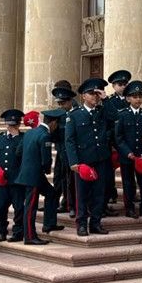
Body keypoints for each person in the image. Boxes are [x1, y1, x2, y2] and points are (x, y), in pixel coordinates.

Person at [65, 78, 111, 237]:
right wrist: (74, 162)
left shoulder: (102, 111)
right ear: (83, 96)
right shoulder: (74, 115)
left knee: (99, 193)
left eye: (97, 94)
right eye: (91, 94)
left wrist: (106, 98)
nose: (95, 97)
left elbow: (114, 116)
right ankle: (81, 224)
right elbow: (69, 140)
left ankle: (96, 223)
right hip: (83, 161)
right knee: (82, 194)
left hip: (101, 158)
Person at [14, 109, 64, 244]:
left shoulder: (30, 132)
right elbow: (46, 159)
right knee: (30, 207)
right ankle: (29, 236)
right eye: (57, 124)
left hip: (29, 173)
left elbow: (18, 152)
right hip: (34, 176)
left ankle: (49, 223)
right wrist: (47, 169)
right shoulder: (45, 135)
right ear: (53, 123)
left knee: (52, 193)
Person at [115, 80, 142, 220]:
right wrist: (128, 153)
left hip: (141, 156)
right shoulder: (122, 114)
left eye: (140, 96)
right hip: (127, 156)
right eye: (134, 97)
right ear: (128, 99)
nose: (138, 99)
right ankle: (130, 208)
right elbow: (118, 138)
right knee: (128, 182)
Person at [0, 109, 25, 242]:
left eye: (14, 125)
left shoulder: (23, 139)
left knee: (18, 208)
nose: (11, 127)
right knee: (0, 207)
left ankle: (18, 231)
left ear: (18, 125)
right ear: (6, 124)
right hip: (2, 180)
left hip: (17, 180)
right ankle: (1, 231)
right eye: (9, 125)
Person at [102, 70, 131, 215]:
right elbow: (110, 120)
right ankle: (111, 194)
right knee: (109, 172)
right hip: (113, 141)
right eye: (120, 84)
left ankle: (130, 197)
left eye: (125, 84)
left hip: (127, 141)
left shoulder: (129, 100)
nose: (123, 87)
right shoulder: (110, 101)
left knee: (128, 173)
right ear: (113, 86)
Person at [51, 83, 78, 218]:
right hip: (61, 152)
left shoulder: (77, 112)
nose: (60, 106)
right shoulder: (58, 115)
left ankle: (72, 205)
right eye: (59, 103)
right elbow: (54, 136)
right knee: (59, 178)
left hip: (73, 153)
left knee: (71, 180)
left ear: (69, 101)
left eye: (62, 103)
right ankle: (60, 203)